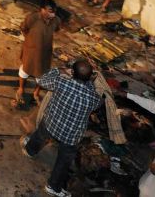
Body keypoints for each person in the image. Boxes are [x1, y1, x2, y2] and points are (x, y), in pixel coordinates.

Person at [22, 59, 102, 197]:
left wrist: (59, 69)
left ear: (72, 72)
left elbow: (41, 80)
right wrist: (90, 82)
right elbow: (98, 104)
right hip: (70, 135)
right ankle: (53, 186)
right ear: (90, 78)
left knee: (41, 134)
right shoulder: (93, 97)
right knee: (64, 160)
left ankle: (30, 150)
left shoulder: (61, 82)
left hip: (51, 123)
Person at [16, 0, 61, 106]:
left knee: (42, 73)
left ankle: (36, 93)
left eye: (54, 11)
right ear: (42, 10)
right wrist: (30, 39)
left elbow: (57, 29)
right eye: (50, 10)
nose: (53, 13)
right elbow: (24, 28)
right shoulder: (33, 18)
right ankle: (21, 89)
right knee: (25, 70)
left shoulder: (56, 20)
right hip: (31, 50)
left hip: (45, 51)